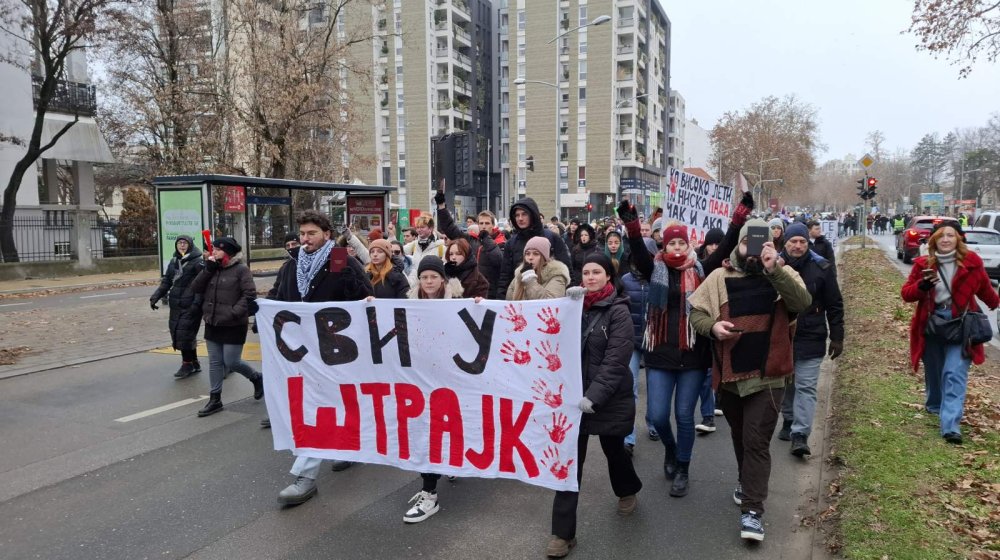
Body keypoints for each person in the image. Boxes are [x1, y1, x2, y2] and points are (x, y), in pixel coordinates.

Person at [619, 194, 752, 497]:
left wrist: (738, 218)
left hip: (693, 356)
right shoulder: (654, 269)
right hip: (660, 355)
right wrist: (632, 223)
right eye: (671, 244)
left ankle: (683, 467)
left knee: (683, 416)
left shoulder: (702, 268)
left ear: (689, 244)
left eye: (681, 243)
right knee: (657, 416)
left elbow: (727, 246)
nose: (677, 248)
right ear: (664, 247)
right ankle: (670, 448)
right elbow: (637, 248)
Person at [688, 219, 811, 542]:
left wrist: (774, 269)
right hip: (730, 376)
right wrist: (713, 327)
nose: (754, 251)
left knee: (756, 441)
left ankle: (753, 511)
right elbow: (696, 312)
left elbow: (802, 303)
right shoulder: (720, 277)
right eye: (748, 244)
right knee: (741, 436)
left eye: (762, 244)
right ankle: (746, 479)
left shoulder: (783, 273)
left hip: (770, 376)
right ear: (738, 246)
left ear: (772, 245)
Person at [276, 211, 374, 506]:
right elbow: (279, 299)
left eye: (312, 234)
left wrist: (347, 275)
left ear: (327, 235)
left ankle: (309, 473)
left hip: (338, 351)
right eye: (302, 234)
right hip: (302, 353)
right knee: (316, 408)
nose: (305, 239)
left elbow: (365, 298)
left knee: (331, 406)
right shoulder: (291, 266)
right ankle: (332, 456)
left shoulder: (342, 262)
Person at [548, 255, 641, 558]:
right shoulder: (572, 307)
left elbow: (616, 360)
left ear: (608, 276)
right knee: (569, 464)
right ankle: (562, 534)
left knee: (614, 450)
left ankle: (627, 489)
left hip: (608, 398)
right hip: (572, 401)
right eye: (586, 272)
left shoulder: (619, 312)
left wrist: (595, 396)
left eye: (596, 272)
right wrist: (566, 306)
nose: (590, 277)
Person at [901, 222, 999, 445]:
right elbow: (906, 294)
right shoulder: (923, 264)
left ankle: (950, 426)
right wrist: (923, 286)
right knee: (935, 371)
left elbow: (985, 288)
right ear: (934, 240)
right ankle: (935, 404)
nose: (945, 240)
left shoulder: (972, 262)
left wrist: (995, 303)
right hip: (932, 323)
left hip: (961, 325)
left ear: (959, 239)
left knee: (953, 373)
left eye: (950, 235)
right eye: (941, 236)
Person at [402, 255, 465, 523]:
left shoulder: (458, 304)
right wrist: (372, 307)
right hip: (420, 380)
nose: (428, 282)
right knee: (425, 431)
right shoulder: (408, 305)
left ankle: (433, 489)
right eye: (424, 277)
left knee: (442, 428)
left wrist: (478, 307)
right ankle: (429, 489)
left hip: (450, 380)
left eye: (433, 277)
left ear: (443, 279)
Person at [777, 223, 845, 456]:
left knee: (806, 386)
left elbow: (834, 304)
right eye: (793, 241)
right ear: (785, 243)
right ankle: (788, 419)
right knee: (787, 383)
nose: (798, 246)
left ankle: (800, 434)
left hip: (811, 335)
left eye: (802, 242)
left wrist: (837, 336)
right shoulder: (773, 265)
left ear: (808, 243)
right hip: (782, 336)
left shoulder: (821, 267)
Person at [185, 237, 264, 417]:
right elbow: (195, 287)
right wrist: (207, 269)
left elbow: (249, 295)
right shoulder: (212, 268)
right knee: (214, 362)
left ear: (228, 252)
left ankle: (256, 377)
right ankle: (215, 399)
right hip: (213, 322)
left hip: (233, 323)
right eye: (213, 249)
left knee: (231, 362)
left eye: (217, 249)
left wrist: (233, 313)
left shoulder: (241, 270)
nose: (213, 252)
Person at [260, 233, 301, 429]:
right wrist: (262, 310)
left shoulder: (318, 265)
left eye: (295, 243)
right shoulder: (286, 268)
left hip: (309, 328)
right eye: (288, 245)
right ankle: (281, 413)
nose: (292, 247)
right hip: (289, 327)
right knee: (286, 373)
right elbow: (277, 291)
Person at [150, 235, 205, 378]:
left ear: (190, 245)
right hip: (176, 305)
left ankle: (187, 364)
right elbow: (167, 281)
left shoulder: (198, 262)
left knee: (184, 334)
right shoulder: (174, 261)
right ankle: (194, 362)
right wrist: (155, 296)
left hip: (191, 304)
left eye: (184, 243)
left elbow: (202, 284)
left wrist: (196, 303)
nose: (181, 245)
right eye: (179, 243)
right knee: (182, 333)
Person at [499, 198, 572, 297]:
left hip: (549, 297)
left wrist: (571, 295)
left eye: (524, 214)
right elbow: (505, 277)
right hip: (519, 298)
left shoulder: (552, 238)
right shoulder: (511, 243)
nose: (520, 218)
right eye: (517, 215)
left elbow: (567, 269)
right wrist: (500, 301)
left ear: (533, 215)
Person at [435, 192, 503, 298]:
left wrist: (487, 239)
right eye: (481, 223)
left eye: (487, 223)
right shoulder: (471, 240)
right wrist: (441, 207)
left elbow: (498, 260)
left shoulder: (501, 242)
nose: (484, 226)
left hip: (493, 293)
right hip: (473, 291)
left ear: (493, 225)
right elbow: (450, 228)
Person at [693, 227, 725, 434]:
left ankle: (716, 403)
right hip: (701, 320)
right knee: (706, 371)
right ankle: (708, 415)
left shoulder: (727, 264)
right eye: (711, 243)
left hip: (721, 319)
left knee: (718, 366)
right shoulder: (697, 264)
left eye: (718, 244)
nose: (714, 247)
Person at [506, 236, 570, 301]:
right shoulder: (520, 275)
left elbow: (549, 303)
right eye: (527, 254)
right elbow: (509, 302)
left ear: (544, 257)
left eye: (536, 254)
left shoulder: (556, 275)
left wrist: (530, 281)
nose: (530, 257)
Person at [404, 216, 447, 284]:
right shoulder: (414, 245)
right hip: (415, 287)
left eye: (422, 227)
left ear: (430, 229)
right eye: (417, 227)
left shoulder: (441, 247)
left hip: (432, 286)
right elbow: (397, 250)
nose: (419, 230)